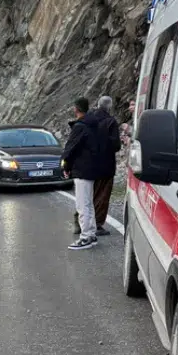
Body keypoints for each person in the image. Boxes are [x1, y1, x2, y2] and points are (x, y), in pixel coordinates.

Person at [61, 97, 107, 250]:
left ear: (76, 109)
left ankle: (86, 236)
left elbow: (70, 148)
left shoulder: (80, 127)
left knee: (82, 204)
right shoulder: (94, 125)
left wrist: (65, 165)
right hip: (92, 168)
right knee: (88, 202)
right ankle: (92, 233)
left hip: (82, 169)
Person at [73, 96, 122, 236]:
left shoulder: (88, 119)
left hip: (88, 163)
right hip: (106, 163)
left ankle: (80, 222)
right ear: (109, 107)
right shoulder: (110, 122)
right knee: (102, 194)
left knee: (87, 195)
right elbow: (116, 145)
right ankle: (98, 223)